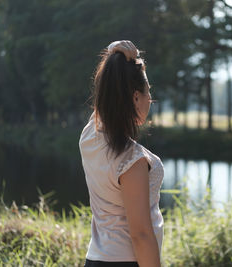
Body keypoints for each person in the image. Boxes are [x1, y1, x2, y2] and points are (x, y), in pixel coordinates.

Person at [79, 40, 164, 267]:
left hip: (96, 259)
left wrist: (114, 55)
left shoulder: (90, 136)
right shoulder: (131, 160)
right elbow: (141, 235)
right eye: (149, 92)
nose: (150, 100)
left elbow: (108, 92)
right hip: (128, 262)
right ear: (136, 97)